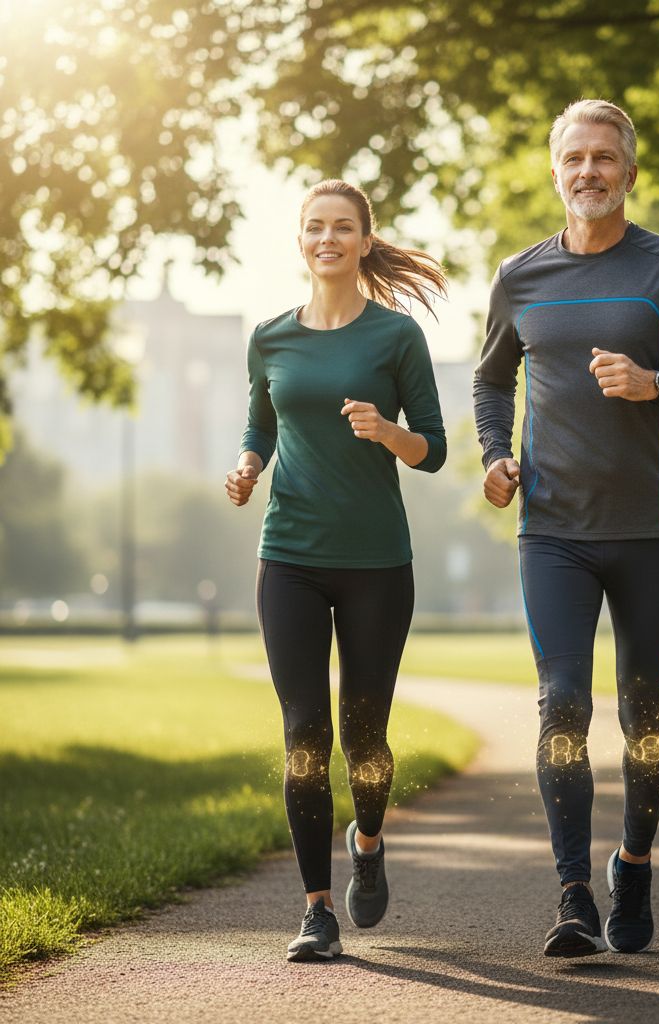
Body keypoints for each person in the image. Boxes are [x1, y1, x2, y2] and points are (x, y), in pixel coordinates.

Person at [473, 100, 659, 957]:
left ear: (629, 172)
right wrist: (495, 455)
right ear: (555, 171)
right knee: (562, 704)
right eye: (574, 158)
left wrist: (657, 383)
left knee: (646, 717)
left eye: (603, 158)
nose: (588, 171)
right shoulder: (519, 276)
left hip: (650, 530)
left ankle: (633, 862)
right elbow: (491, 380)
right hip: (552, 531)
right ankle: (573, 896)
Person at [226, 179, 447, 962]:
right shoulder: (270, 336)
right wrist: (248, 465)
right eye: (315, 227)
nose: (328, 238)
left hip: (377, 562)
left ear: (364, 240)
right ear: (300, 241)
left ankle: (371, 838)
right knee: (303, 734)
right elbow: (260, 423)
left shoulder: (396, 337)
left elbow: (434, 449)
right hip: (289, 556)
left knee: (364, 737)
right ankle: (317, 910)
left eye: (342, 227)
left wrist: (387, 430)